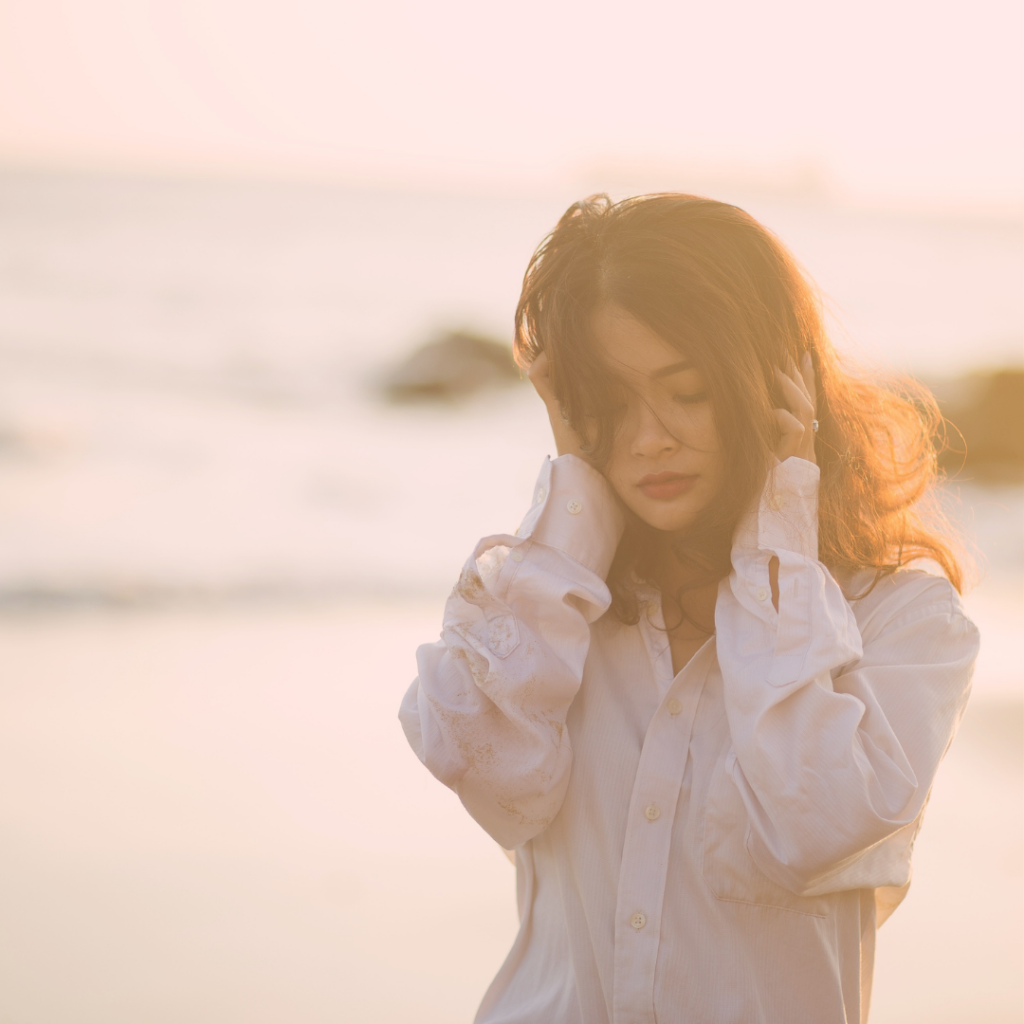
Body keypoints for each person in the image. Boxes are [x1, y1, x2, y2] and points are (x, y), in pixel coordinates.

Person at [398, 193, 979, 1024]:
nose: (648, 438)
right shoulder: (556, 605)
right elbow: (486, 770)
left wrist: (783, 516)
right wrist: (570, 500)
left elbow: (817, 824)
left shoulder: (902, 622)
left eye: (689, 392)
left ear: (780, 385)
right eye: (611, 400)